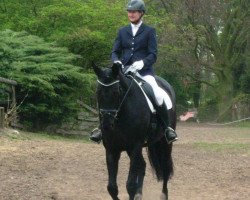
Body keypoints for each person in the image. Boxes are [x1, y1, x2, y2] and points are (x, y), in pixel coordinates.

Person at [90, 0, 178, 144]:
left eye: (134, 11)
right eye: (129, 11)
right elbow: (115, 52)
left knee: (158, 94)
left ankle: (167, 128)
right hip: (124, 72)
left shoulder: (149, 31)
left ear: (141, 13)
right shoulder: (122, 31)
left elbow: (153, 54)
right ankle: (101, 128)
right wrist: (116, 61)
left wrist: (142, 63)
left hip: (144, 73)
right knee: (109, 93)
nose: (131, 14)